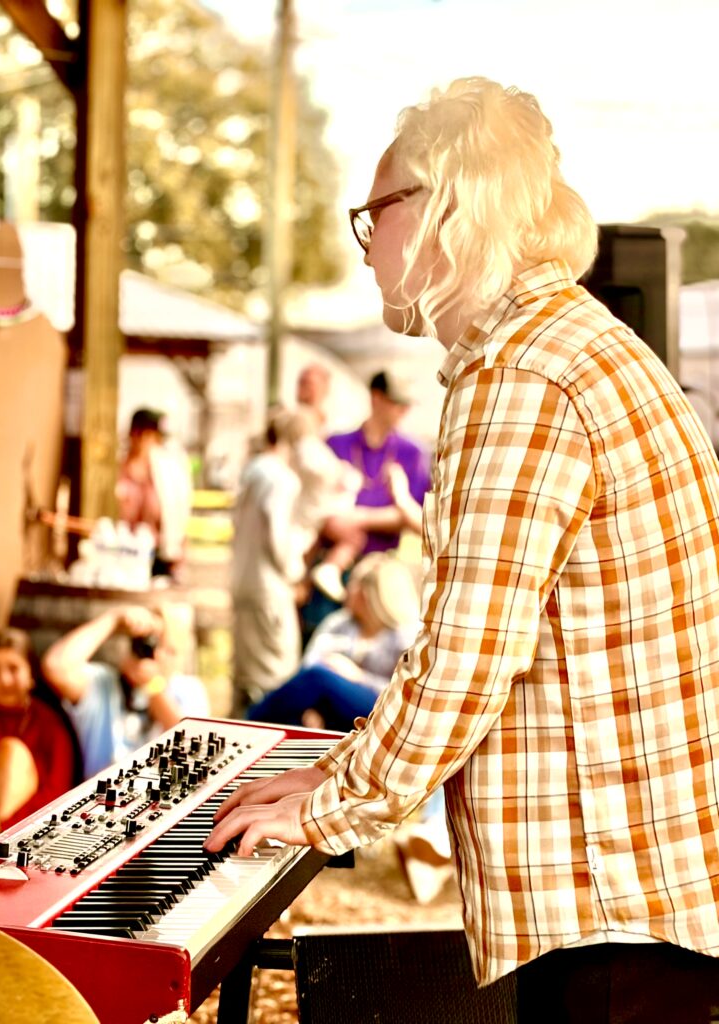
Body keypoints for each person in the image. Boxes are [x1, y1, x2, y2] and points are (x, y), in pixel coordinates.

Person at [206, 76, 719, 1023]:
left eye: (375, 217)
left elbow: (469, 654)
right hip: (631, 890)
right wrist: (337, 772)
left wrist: (331, 805)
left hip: (610, 898)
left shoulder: (522, 372)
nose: (367, 248)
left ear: (447, 208)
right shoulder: (567, 344)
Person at [248, 553, 419, 733]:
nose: (347, 588)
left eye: (353, 583)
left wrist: (357, 676)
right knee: (296, 719)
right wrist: (312, 707)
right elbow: (307, 668)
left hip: (382, 707)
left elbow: (408, 693)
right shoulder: (338, 623)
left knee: (319, 677)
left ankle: (251, 721)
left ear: (369, 594)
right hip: (334, 711)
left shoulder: (404, 637)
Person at [41, 603, 209, 779]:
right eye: (153, 643)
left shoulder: (189, 689)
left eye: (170, 650)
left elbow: (196, 747)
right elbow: (55, 666)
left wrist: (152, 686)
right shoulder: (103, 684)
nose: (157, 655)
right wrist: (113, 619)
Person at [0, 628, 80, 854]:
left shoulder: (49, 725)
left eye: (13, 669)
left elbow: (56, 792)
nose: (4, 680)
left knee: (12, 750)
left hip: (13, 833)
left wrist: (2, 826)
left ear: (31, 675)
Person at [308, 370, 430, 603]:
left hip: (380, 569)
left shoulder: (413, 453)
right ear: (376, 398)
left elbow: (411, 516)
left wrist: (358, 518)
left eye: (407, 405)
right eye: (397, 403)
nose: (404, 411)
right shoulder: (336, 444)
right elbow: (314, 505)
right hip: (328, 563)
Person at [230, 409, 308, 716]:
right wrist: (295, 572)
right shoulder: (280, 479)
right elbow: (278, 537)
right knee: (275, 675)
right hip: (269, 589)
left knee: (246, 672)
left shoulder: (252, 471)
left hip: (244, 581)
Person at [116, 408, 193, 579]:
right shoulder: (120, 471)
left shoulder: (167, 474)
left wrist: (178, 549)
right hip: (123, 557)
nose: (151, 442)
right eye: (147, 435)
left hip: (159, 557)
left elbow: (179, 514)